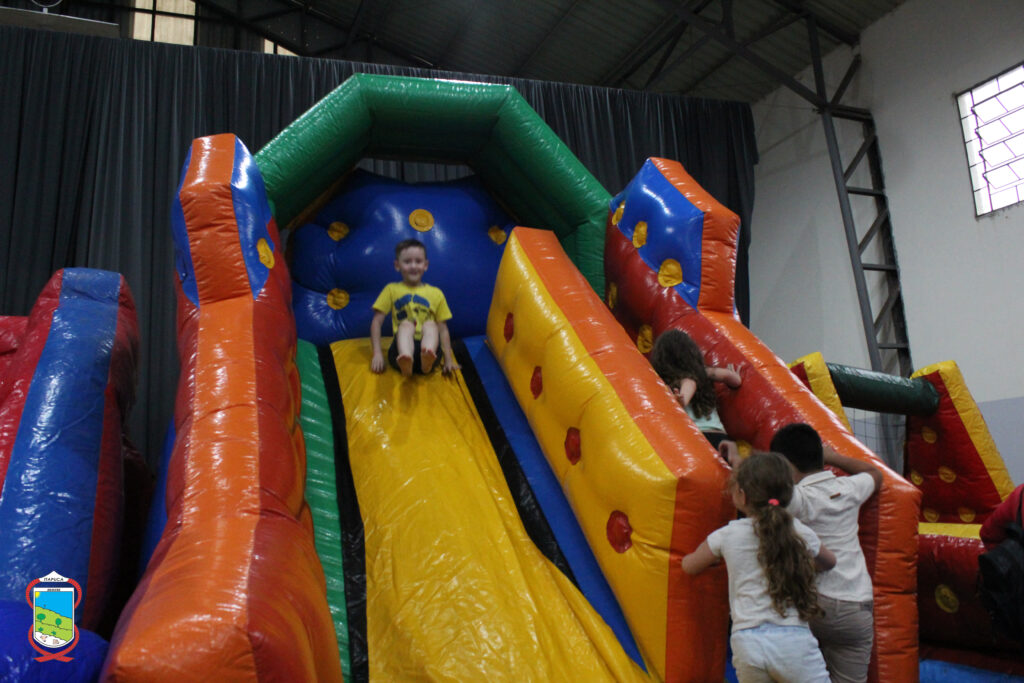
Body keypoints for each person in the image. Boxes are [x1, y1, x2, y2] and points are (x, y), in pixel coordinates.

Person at [682, 451, 835, 683]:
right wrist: (803, 560)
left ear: (742, 496)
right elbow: (830, 562)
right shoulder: (798, 531)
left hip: (747, 642)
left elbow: (690, 566)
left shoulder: (728, 534)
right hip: (793, 642)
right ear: (788, 494)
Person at [769, 423, 882, 683]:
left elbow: (767, 503)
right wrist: (833, 457)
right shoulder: (849, 489)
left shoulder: (798, 497)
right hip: (857, 607)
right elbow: (875, 473)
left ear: (785, 465)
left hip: (812, 603)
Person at [370, 239, 458, 377]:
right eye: (407, 262)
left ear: (425, 265)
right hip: (400, 352)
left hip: (431, 351)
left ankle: (426, 362)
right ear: (397, 265)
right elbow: (376, 322)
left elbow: (443, 329)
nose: (413, 266)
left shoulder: (436, 293)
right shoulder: (391, 289)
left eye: (418, 261)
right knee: (406, 324)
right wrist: (377, 354)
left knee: (431, 324)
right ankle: (406, 361)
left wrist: (448, 359)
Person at [649, 328, 741, 448]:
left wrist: (683, 400)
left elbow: (690, 383)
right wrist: (735, 376)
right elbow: (733, 379)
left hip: (697, 437)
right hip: (720, 436)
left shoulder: (674, 381)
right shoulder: (704, 372)